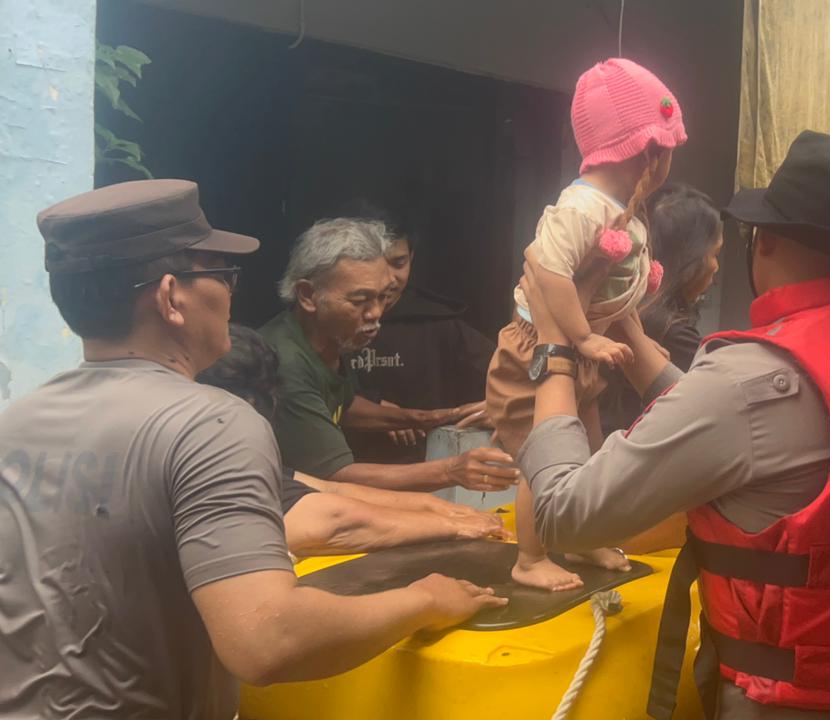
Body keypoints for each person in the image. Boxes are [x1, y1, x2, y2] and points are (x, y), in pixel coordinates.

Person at [1, 180, 505, 719]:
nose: (232, 294)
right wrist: (426, 600)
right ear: (171, 297)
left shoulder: (16, 424)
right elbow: (267, 641)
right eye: (222, 274)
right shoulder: (211, 424)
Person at [518, 131, 830, 719]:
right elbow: (750, 431)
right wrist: (627, 329)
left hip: (786, 704)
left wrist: (553, 350)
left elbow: (563, 516)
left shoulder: (749, 380)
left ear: (764, 241)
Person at [485, 57, 687, 591]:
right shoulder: (581, 206)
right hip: (537, 350)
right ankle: (529, 558)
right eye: (669, 150)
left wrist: (628, 331)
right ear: (649, 153)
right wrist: (581, 336)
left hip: (580, 350)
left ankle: (580, 536)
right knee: (542, 457)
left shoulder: (620, 206)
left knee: (585, 455)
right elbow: (547, 271)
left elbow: (609, 284)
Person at [197, 324, 508, 556]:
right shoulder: (211, 473)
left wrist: (437, 507)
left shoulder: (246, 461)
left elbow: (329, 489)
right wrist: (449, 526)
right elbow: (333, 523)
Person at [260, 218, 518, 494]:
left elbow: (344, 404)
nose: (376, 313)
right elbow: (336, 477)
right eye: (359, 301)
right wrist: (452, 470)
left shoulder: (332, 336)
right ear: (308, 295)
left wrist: (428, 418)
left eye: (382, 297)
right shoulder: (284, 364)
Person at [339, 202, 496, 464]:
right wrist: (371, 407)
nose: (387, 279)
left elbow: (511, 376)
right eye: (373, 264)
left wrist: (504, 404)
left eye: (398, 263)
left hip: (429, 469)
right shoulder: (327, 322)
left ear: (411, 257)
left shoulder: (439, 323)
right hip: (341, 469)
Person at [599, 183, 724, 435]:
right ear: (691, 259)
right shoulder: (673, 334)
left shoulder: (623, 305)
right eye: (714, 254)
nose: (716, 267)